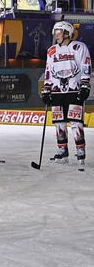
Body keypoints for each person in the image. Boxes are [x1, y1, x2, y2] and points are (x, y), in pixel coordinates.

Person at [42, 21, 91, 163]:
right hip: (57, 91)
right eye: (55, 32)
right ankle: (62, 150)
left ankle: (80, 149)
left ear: (67, 33)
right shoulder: (51, 50)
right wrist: (46, 89)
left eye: (59, 32)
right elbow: (48, 71)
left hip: (74, 90)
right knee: (59, 122)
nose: (56, 35)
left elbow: (85, 65)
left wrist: (85, 85)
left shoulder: (79, 47)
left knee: (76, 121)